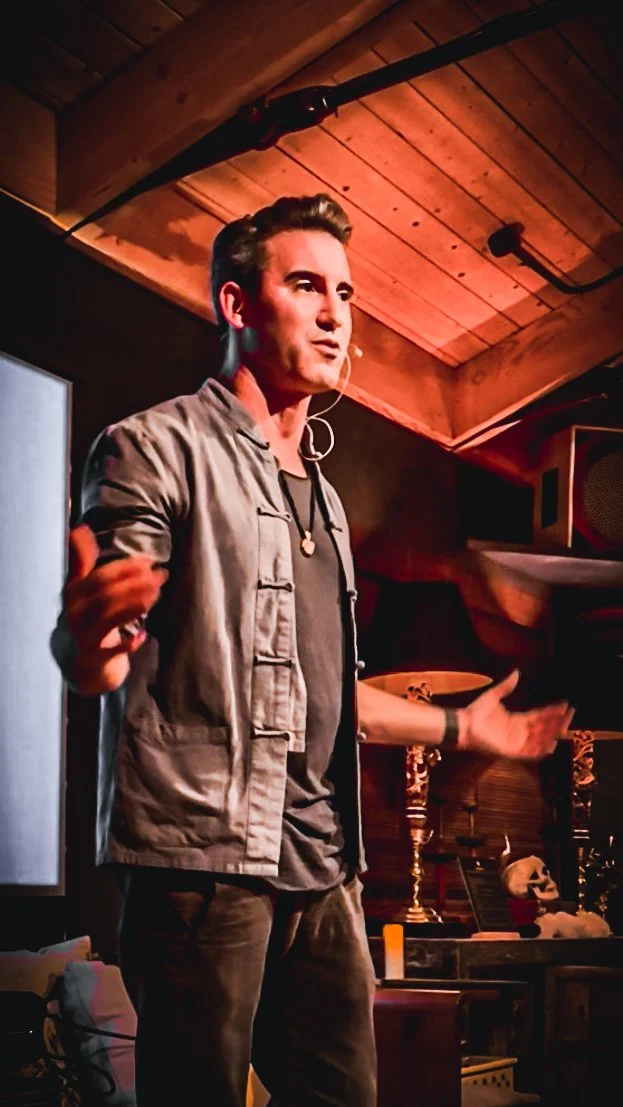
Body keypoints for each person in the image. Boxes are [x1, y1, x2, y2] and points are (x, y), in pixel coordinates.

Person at [51, 193, 572, 1107]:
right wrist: (92, 640)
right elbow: (104, 647)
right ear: (237, 305)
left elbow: (319, 693)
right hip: (203, 866)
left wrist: (463, 727)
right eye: (305, 286)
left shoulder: (324, 502)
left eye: (344, 291)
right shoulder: (155, 447)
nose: (336, 313)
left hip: (325, 868)